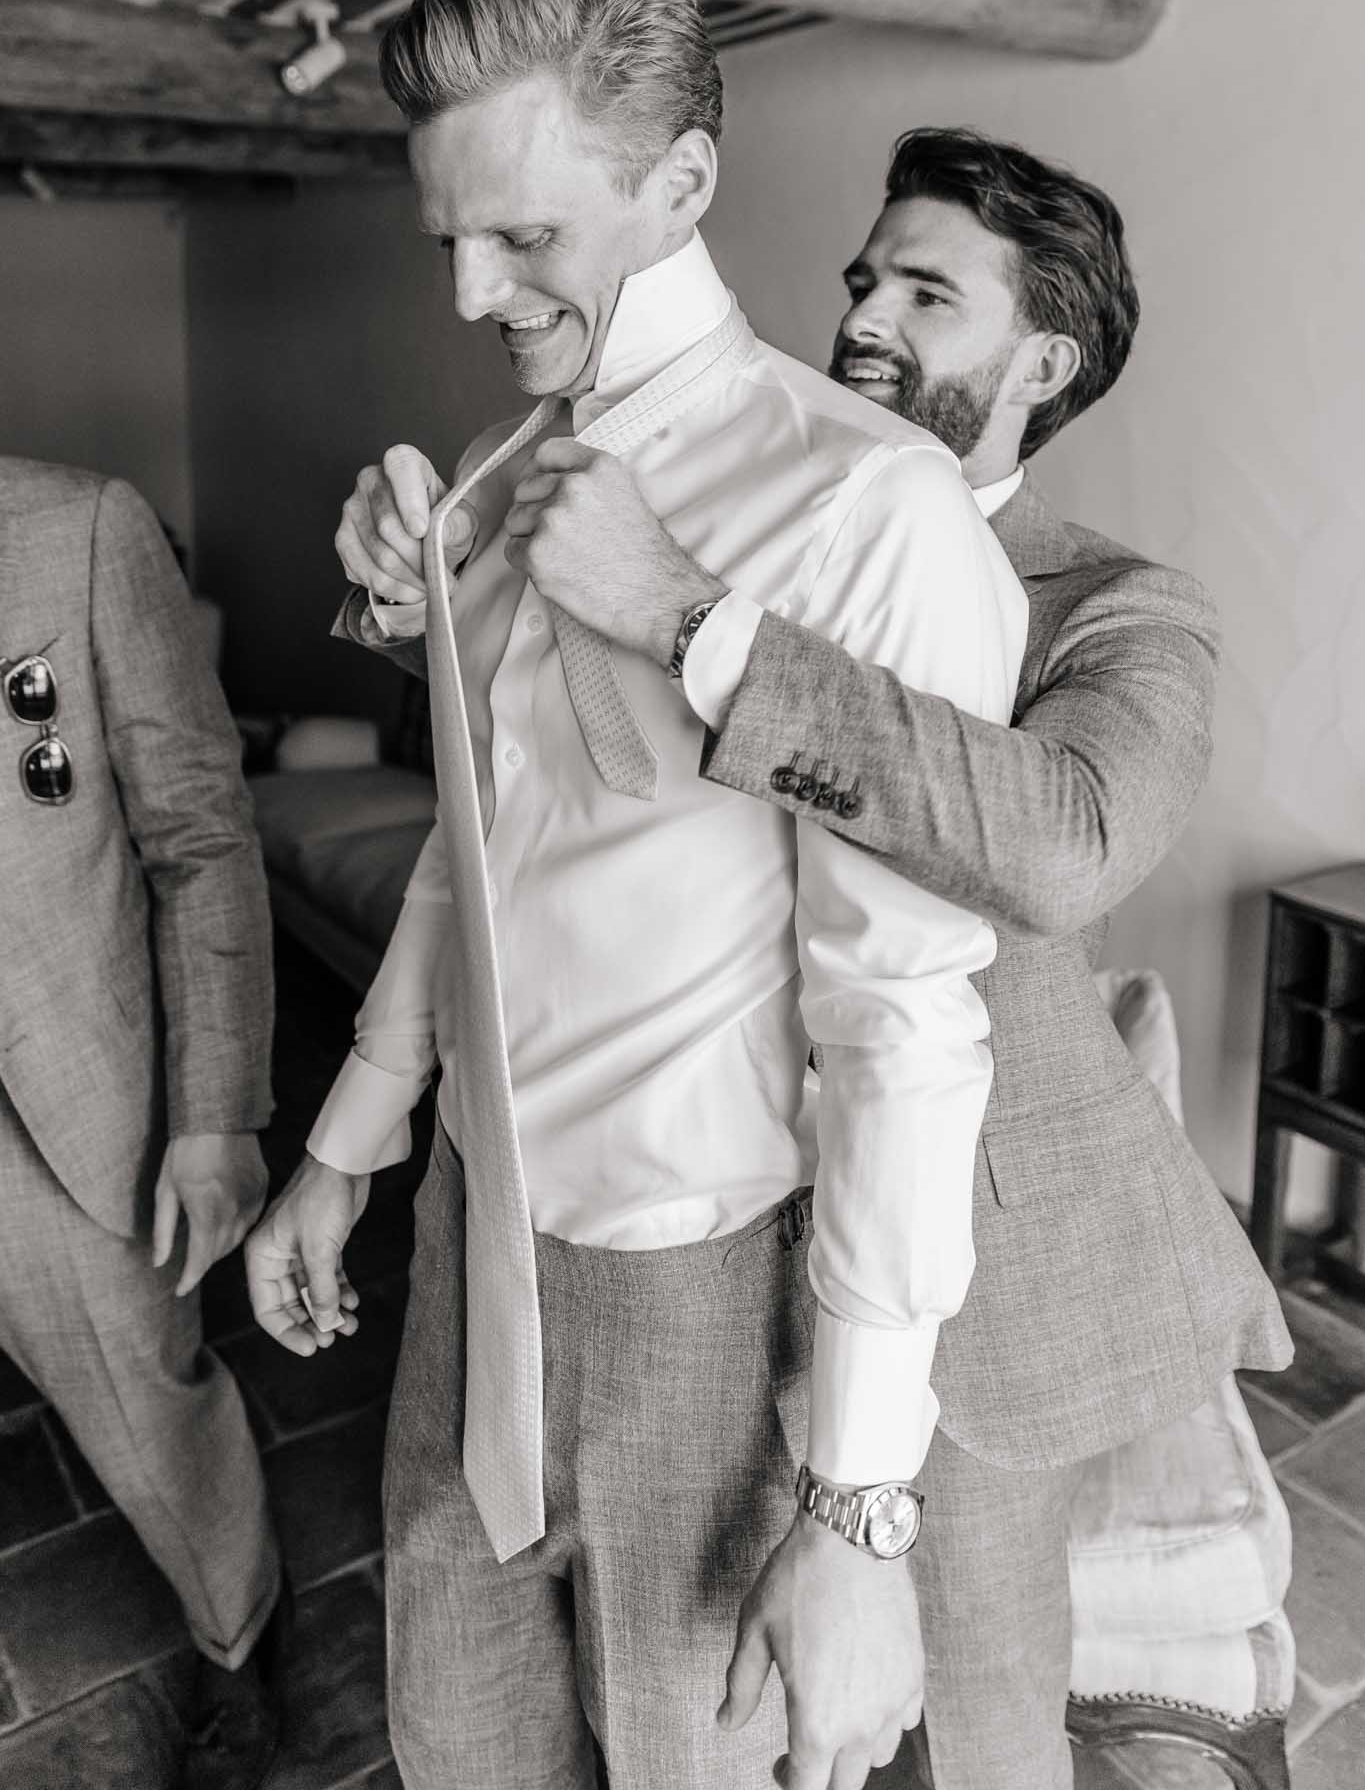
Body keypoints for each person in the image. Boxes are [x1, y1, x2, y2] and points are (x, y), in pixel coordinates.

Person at [332, 125, 1293, 1787]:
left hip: (972, 1270)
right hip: (702, 1256)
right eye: (863, 279)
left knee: (974, 1732)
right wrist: (425, 600)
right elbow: (547, 794)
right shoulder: (735, 497)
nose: (861, 317)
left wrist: (692, 621)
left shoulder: (1118, 608)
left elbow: (1064, 842)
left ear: (1044, 360)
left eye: (926, 293)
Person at [246, 0, 1029, 1790]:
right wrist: (347, 1149)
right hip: (466, 1242)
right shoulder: (493, 472)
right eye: (448, 238)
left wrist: (857, 1510)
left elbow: (902, 1021)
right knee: (455, 1743)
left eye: (521, 234)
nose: (468, 291)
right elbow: (477, 850)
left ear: (678, 184)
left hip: (702, 1295)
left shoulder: (871, 509)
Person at [0, 457, 289, 1790]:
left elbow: (200, 835)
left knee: (146, 1408)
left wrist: (214, 1116)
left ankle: (240, 1637)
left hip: (58, 1099)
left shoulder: (82, 529)